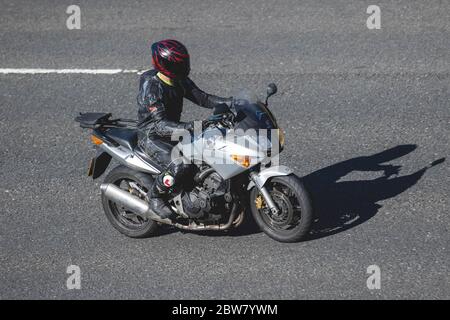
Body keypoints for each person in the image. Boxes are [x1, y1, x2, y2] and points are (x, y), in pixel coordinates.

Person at [137, 39, 232, 218]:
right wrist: (191, 126)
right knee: (181, 165)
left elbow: (203, 98)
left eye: (184, 62)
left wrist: (232, 102)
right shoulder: (152, 86)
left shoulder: (178, 80)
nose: (185, 67)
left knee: (213, 149)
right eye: (180, 64)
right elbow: (160, 125)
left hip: (173, 129)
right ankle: (156, 196)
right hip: (153, 136)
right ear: (167, 65)